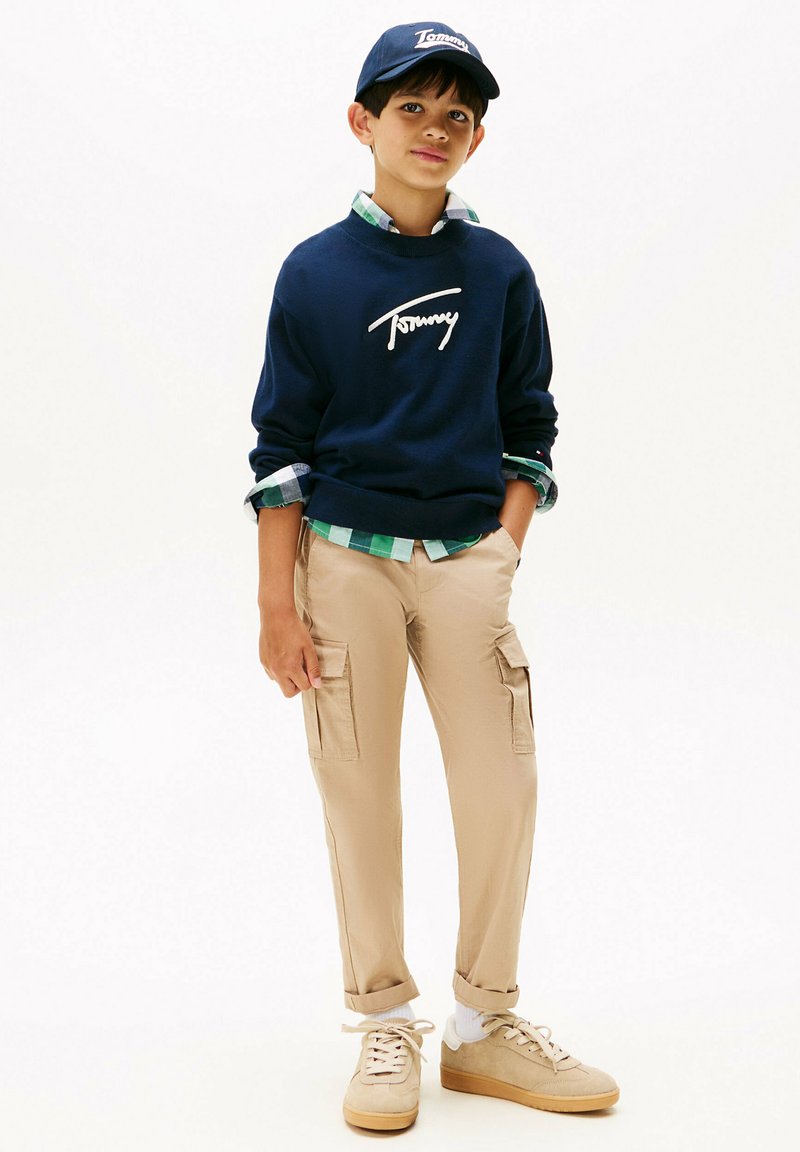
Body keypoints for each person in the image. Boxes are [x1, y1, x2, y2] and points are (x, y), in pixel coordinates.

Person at [243, 20, 620, 1131]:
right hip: (343, 563)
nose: (434, 129)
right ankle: (384, 1021)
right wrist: (276, 604)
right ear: (362, 122)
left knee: (502, 785)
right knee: (357, 789)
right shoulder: (314, 272)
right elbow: (280, 449)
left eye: (457, 114)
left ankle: (482, 1024)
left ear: (477, 138)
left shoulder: (498, 271)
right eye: (411, 107)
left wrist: (502, 547)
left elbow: (529, 425)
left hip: (464, 563)